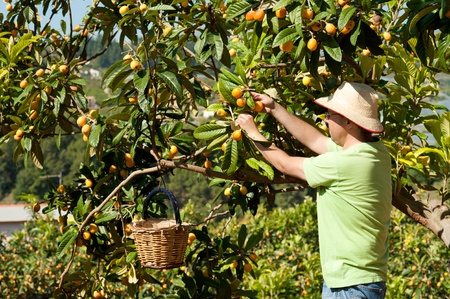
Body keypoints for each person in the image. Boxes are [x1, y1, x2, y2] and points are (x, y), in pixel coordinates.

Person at [236, 82, 392, 299]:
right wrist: (274, 108)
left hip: (350, 287)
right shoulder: (376, 152)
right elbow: (316, 140)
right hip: (361, 281)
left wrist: (252, 132)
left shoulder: (344, 164)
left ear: (349, 121)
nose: (326, 119)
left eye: (330, 114)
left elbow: (285, 165)